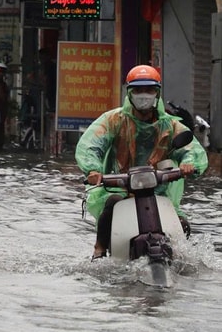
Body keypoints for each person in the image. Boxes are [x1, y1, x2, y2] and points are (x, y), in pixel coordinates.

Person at [75, 64, 208, 259]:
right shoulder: (113, 120)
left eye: (149, 90)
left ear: (157, 93)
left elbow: (191, 149)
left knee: (183, 225)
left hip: (158, 190)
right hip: (121, 187)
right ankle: (99, 250)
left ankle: (181, 261)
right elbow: (91, 145)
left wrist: (189, 163)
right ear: (129, 93)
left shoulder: (170, 124)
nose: (143, 95)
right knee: (111, 205)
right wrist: (93, 170)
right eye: (138, 90)